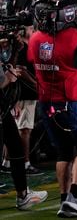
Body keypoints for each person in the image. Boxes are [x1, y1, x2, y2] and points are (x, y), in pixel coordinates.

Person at [28, 0, 77, 217]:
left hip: (47, 103)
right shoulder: (72, 37)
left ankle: (64, 201)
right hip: (72, 102)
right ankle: (74, 196)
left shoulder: (34, 39)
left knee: (63, 152)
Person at [0, 46, 48, 210]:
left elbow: (8, 66)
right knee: (15, 147)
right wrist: (7, 79)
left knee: (16, 148)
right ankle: (22, 195)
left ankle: (23, 195)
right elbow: (3, 79)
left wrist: (14, 50)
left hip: (3, 107)